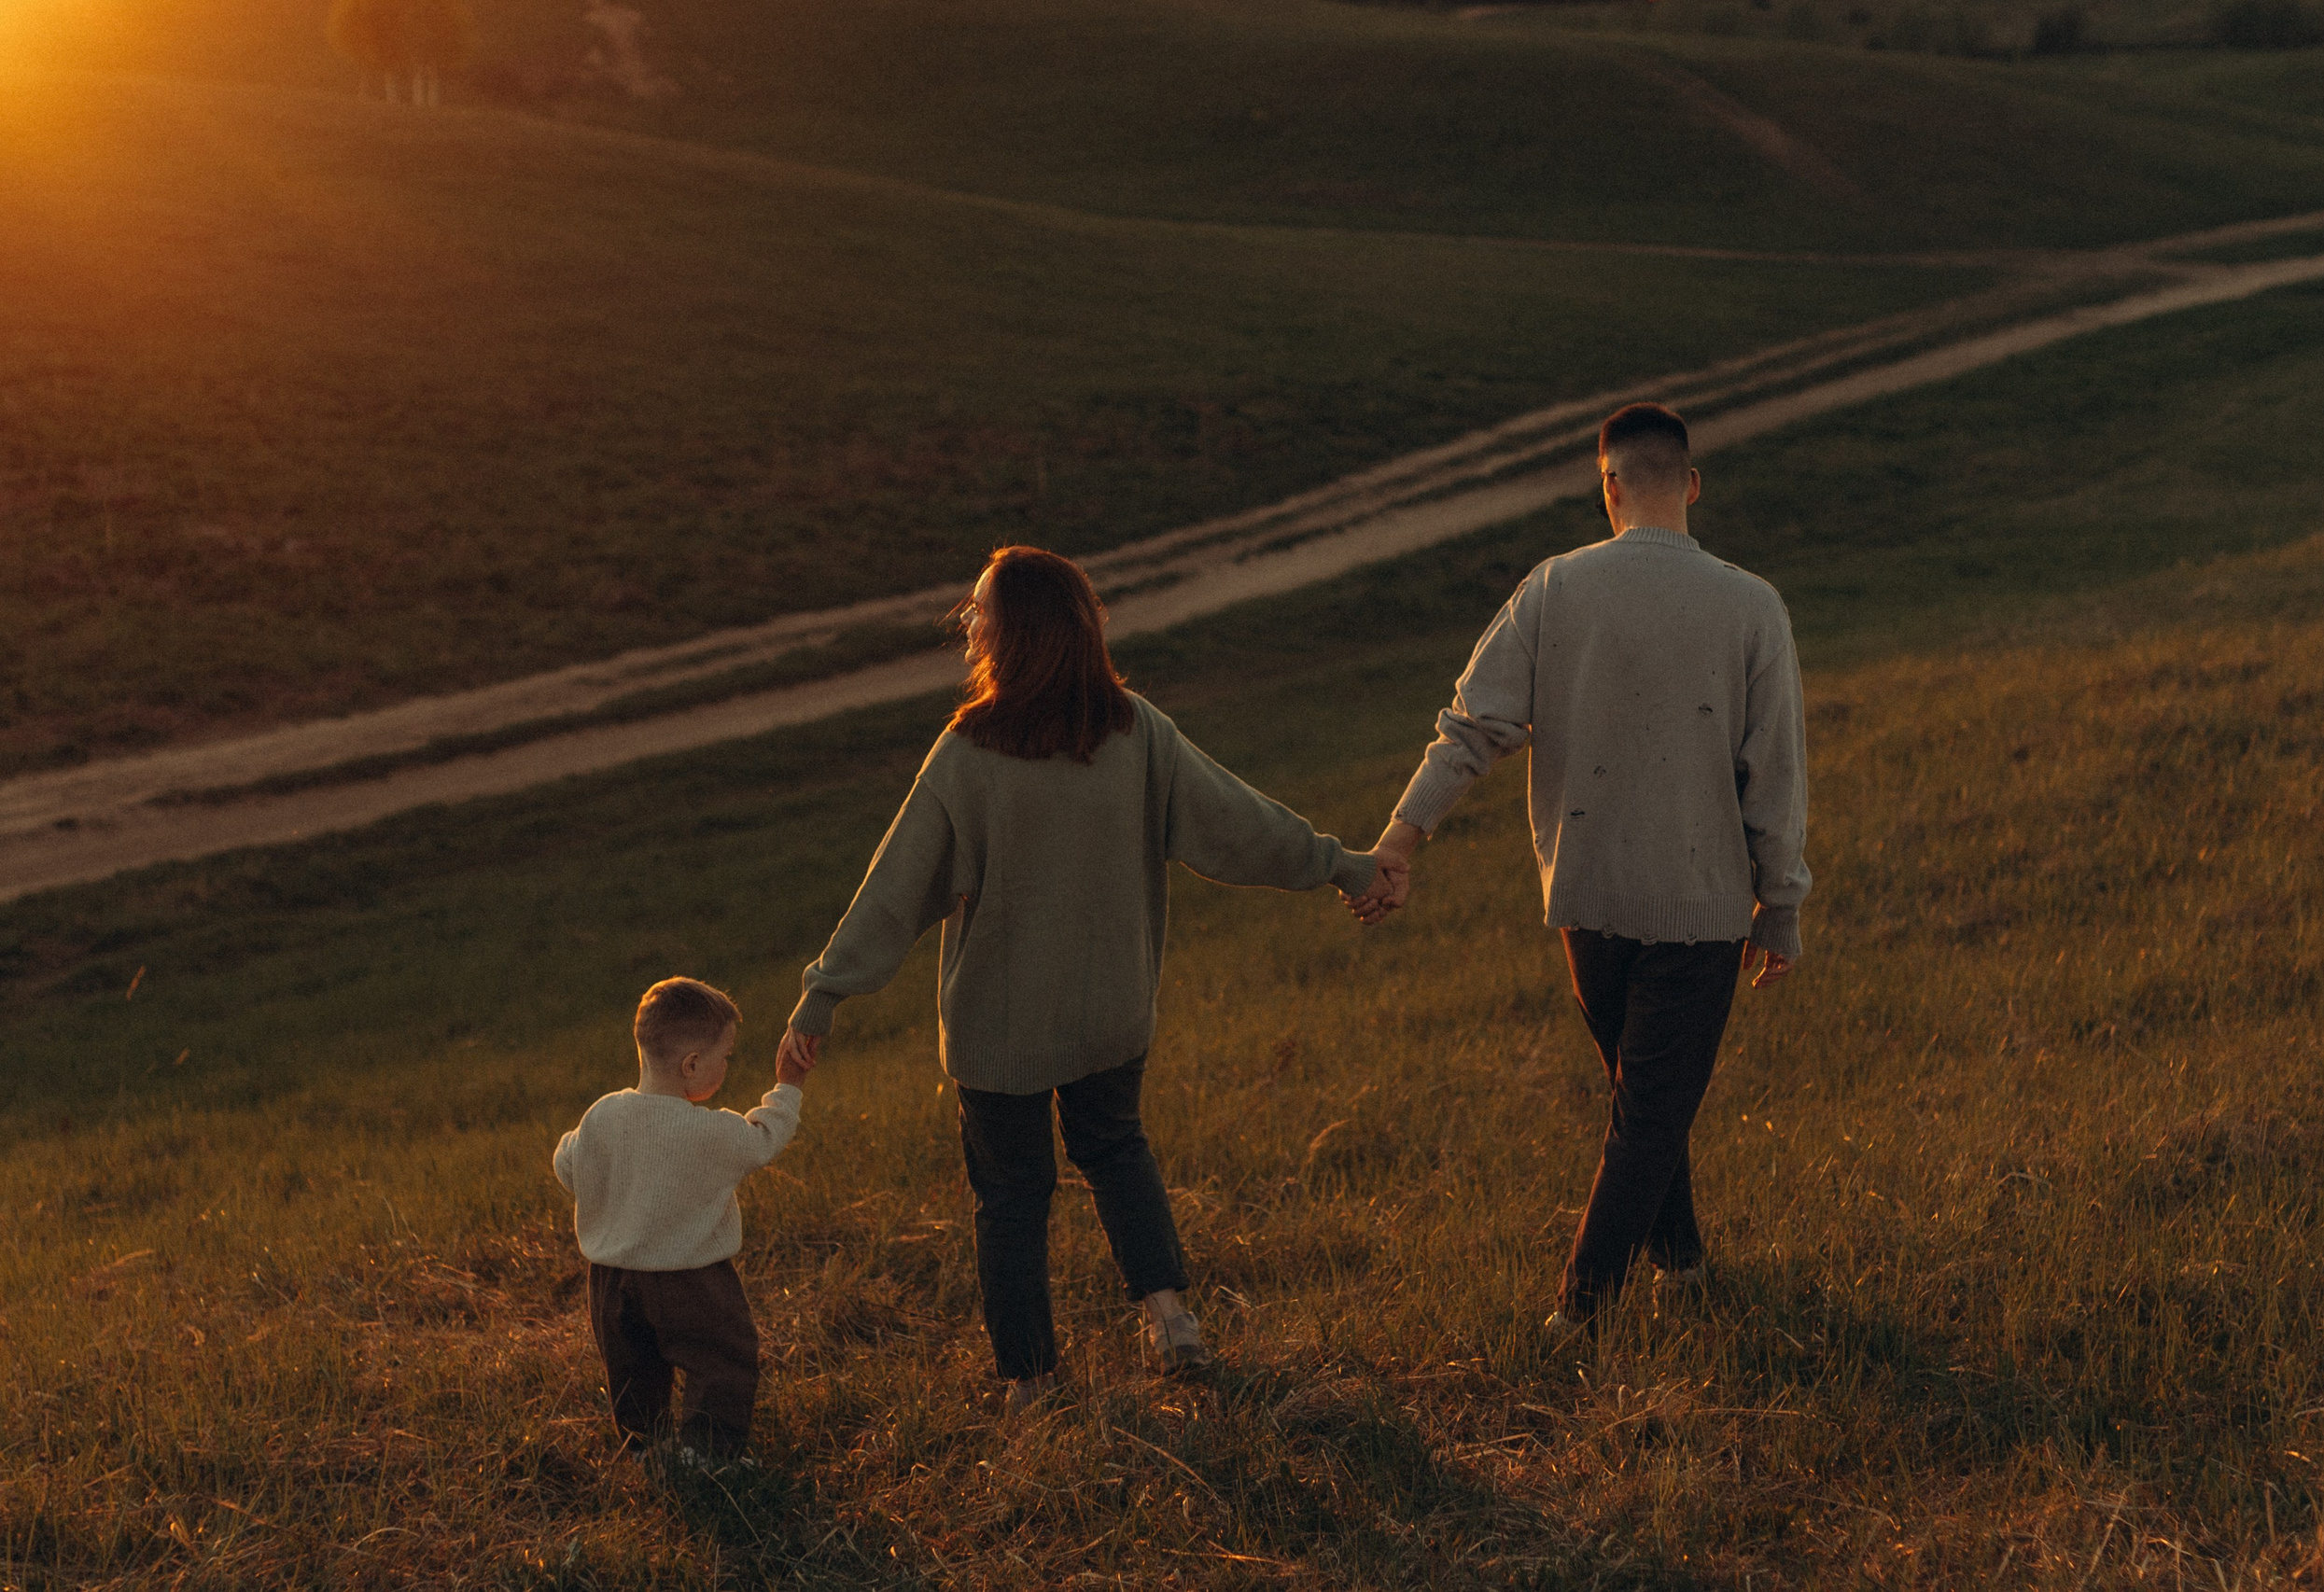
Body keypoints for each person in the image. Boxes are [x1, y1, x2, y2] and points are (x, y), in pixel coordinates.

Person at [780, 545, 1401, 1413]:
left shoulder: (969, 750)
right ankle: (1173, 1320)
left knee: (1009, 1197)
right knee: (1116, 1150)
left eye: (978, 614)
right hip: (1111, 1009)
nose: (970, 626)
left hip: (1002, 1028)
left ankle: (1031, 1383)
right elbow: (1238, 821)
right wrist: (1341, 865)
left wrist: (826, 990)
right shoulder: (1134, 730)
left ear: (1008, 635)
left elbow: (897, 884)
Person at [1364, 402, 1809, 1335]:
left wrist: (1400, 840)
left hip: (1585, 900)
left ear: (1605, 486)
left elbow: (1470, 728)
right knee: (1648, 1107)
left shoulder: (1552, 588)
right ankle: (1579, 1313)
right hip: (1700, 902)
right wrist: (1782, 903)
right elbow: (1772, 770)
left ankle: (1683, 1268)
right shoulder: (1750, 603)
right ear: (1689, 484)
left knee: (1644, 1095)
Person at [553, 976, 810, 1470]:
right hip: (691, 1280)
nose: (727, 1066)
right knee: (723, 1357)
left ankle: (644, 1447)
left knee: (631, 1366)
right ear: (692, 1065)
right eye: (725, 1057)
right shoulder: (709, 1131)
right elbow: (763, 1139)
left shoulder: (602, 1115)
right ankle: (709, 1452)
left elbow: (567, 1165)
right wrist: (788, 1086)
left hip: (611, 1280)